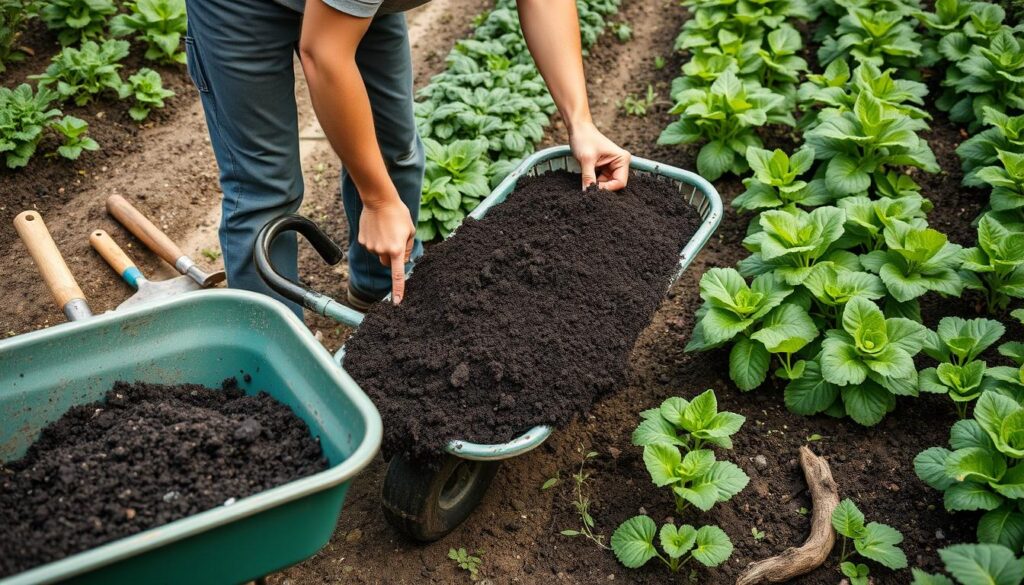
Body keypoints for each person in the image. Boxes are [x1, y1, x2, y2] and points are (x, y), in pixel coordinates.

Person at [184, 0, 631, 316]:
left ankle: (381, 295)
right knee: (266, 190)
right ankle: (274, 368)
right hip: (240, 10)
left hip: (351, 9)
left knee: (393, 150)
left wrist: (580, 122)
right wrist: (377, 200)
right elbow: (323, 54)